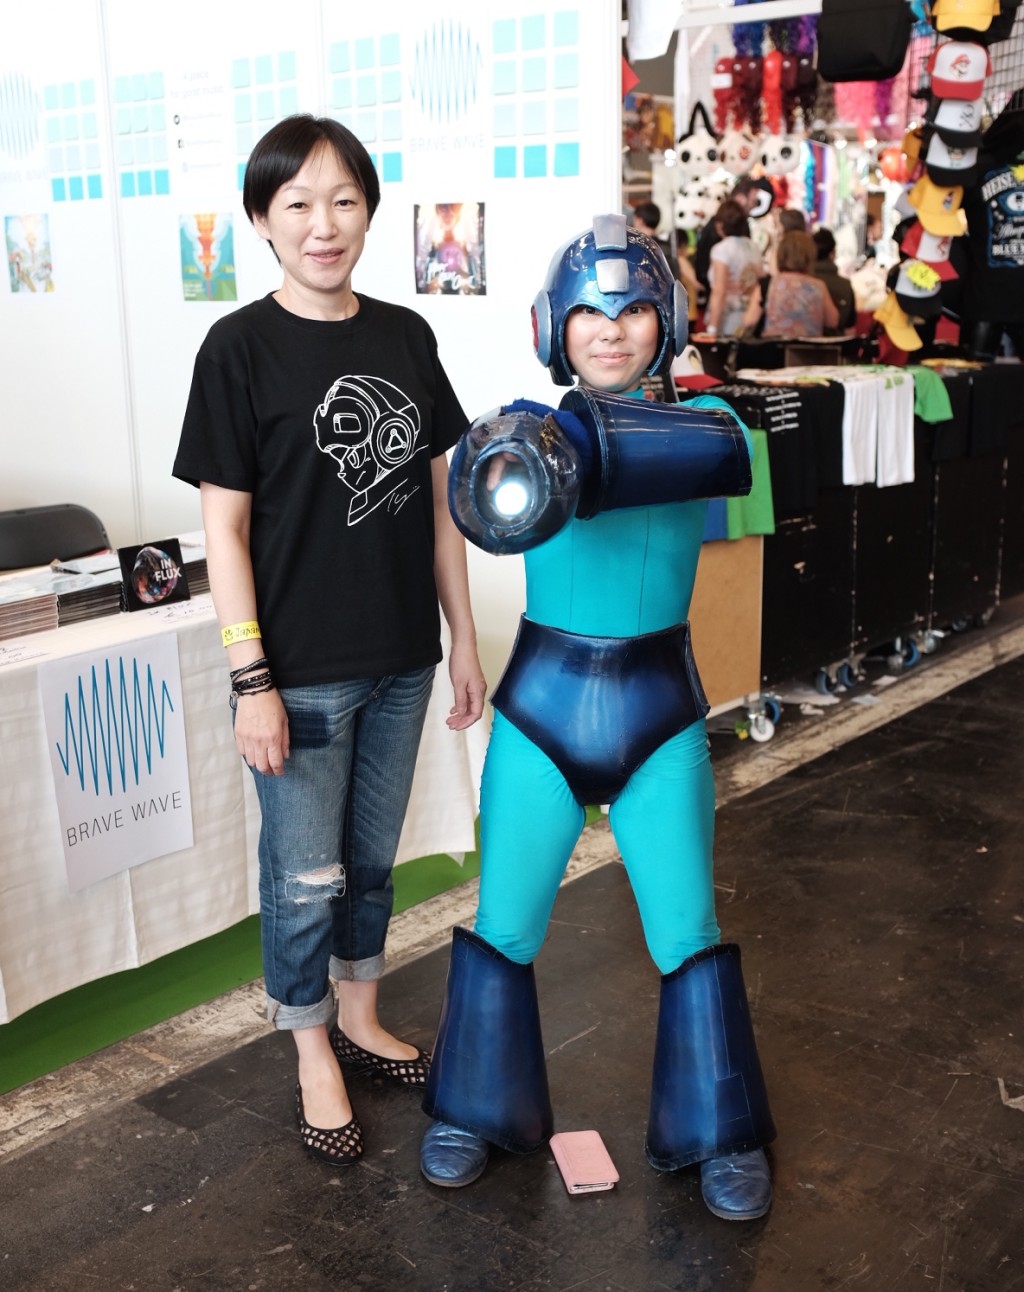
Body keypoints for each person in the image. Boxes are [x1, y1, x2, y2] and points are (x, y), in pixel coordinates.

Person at [419, 214, 776, 1222]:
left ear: (668, 322)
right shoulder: (524, 435)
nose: (609, 329)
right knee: (505, 920)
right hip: (541, 712)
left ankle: (722, 1129)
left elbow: (723, 451)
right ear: (553, 326)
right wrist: (526, 443)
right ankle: (475, 1106)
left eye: (631, 309)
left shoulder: (704, 429)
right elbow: (481, 493)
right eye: (586, 312)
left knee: (686, 929)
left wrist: (559, 441)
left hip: (658, 715)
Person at [172, 114, 485, 1167]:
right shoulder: (237, 349)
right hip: (298, 675)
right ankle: (310, 1045)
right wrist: (250, 678)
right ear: (262, 220)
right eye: (298, 203)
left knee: (368, 863)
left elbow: (440, 505)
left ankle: (359, 1013)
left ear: (368, 213)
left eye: (344, 200)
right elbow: (223, 532)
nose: (323, 223)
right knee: (304, 875)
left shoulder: (405, 335)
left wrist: (462, 638)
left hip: (401, 659)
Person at [756, 230, 839, 339]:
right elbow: (832, 321)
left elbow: (750, 320)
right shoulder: (818, 286)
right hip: (807, 348)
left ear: (781, 254)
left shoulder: (769, 283)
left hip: (773, 347)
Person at [703, 199, 765, 338]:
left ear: (720, 224)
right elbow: (761, 282)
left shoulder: (722, 250)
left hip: (727, 317)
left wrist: (712, 327)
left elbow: (719, 290)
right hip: (751, 315)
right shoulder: (753, 247)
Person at [693, 174, 763, 294]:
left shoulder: (741, 228)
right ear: (741, 198)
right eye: (754, 200)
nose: (755, 205)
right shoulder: (717, 231)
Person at [812, 228, 856, 333]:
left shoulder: (802, 283)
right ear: (832, 253)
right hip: (837, 341)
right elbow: (849, 327)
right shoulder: (845, 285)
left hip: (804, 341)